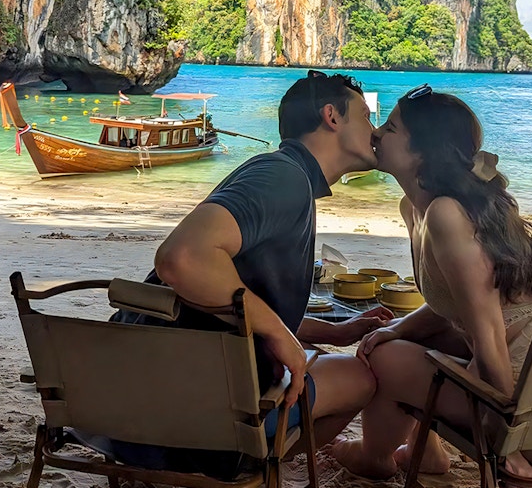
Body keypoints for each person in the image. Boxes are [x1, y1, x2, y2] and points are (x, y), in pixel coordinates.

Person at [109, 70, 389, 479]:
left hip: (136, 399)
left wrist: (335, 332)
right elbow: (181, 258)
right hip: (191, 421)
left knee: (315, 354)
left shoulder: (282, 174)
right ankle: (251, 465)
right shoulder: (283, 178)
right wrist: (279, 334)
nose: (376, 130)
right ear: (332, 117)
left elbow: (228, 301)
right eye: (365, 116)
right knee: (359, 378)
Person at [332, 85, 532, 480]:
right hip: (525, 387)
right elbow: (457, 301)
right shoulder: (416, 208)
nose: (377, 133)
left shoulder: (446, 214)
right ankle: (424, 453)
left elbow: (488, 333)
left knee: (385, 359)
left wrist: (509, 444)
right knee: (397, 339)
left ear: (423, 151)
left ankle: (374, 458)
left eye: (391, 128)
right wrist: (397, 328)